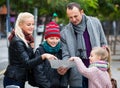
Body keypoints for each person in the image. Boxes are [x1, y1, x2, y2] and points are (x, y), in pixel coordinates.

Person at [60, 2, 108, 88]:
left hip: (96, 73)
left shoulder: (95, 23)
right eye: (70, 17)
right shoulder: (64, 33)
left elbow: (104, 44)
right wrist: (64, 66)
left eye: (76, 16)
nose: (73, 20)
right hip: (76, 75)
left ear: (82, 12)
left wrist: (105, 65)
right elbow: (66, 54)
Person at [3, 12, 57, 88]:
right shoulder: (18, 41)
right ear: (20, 25)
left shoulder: (26, 39)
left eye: (33, 24)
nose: (32, 27)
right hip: (13, 79)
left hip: (19, 79)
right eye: (28, 24)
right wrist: (43, 56)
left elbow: (31, 59)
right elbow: (27, 63)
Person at [34, 21, 67, 88]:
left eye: (57, 38)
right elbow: (38, 72)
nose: (54, 41)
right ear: (46, 38)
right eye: (51, 38)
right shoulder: (40, 51)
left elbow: (65, 71)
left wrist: (63, 85)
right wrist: (47, 86)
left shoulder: (61, 50)